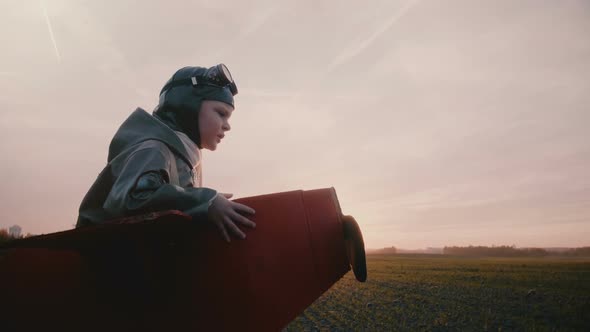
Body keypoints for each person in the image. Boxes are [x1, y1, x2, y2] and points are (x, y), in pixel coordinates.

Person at [76, 64, 255, 242]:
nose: (227, 125)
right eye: (221, 113)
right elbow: (132, 201)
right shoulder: (153, 150)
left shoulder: (185, 158)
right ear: (188, 106)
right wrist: (207, 202)